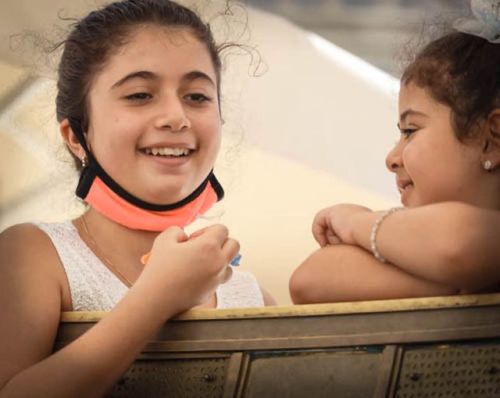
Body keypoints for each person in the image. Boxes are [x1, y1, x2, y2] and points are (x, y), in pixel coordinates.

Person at [0, 0, 274, 395]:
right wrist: (157, 296)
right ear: (77, 136)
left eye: (197, 96)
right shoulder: (32, 255)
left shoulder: (252, 297)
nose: (175, 117)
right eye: (140, 95)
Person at [289, 0, 500, 304]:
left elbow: (460, 242)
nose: (392, 159)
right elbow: (310, 279)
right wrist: (462, 284)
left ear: (492, 137)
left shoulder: (460, 237)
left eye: (410, 131)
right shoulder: (410, 238)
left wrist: (355, 223)